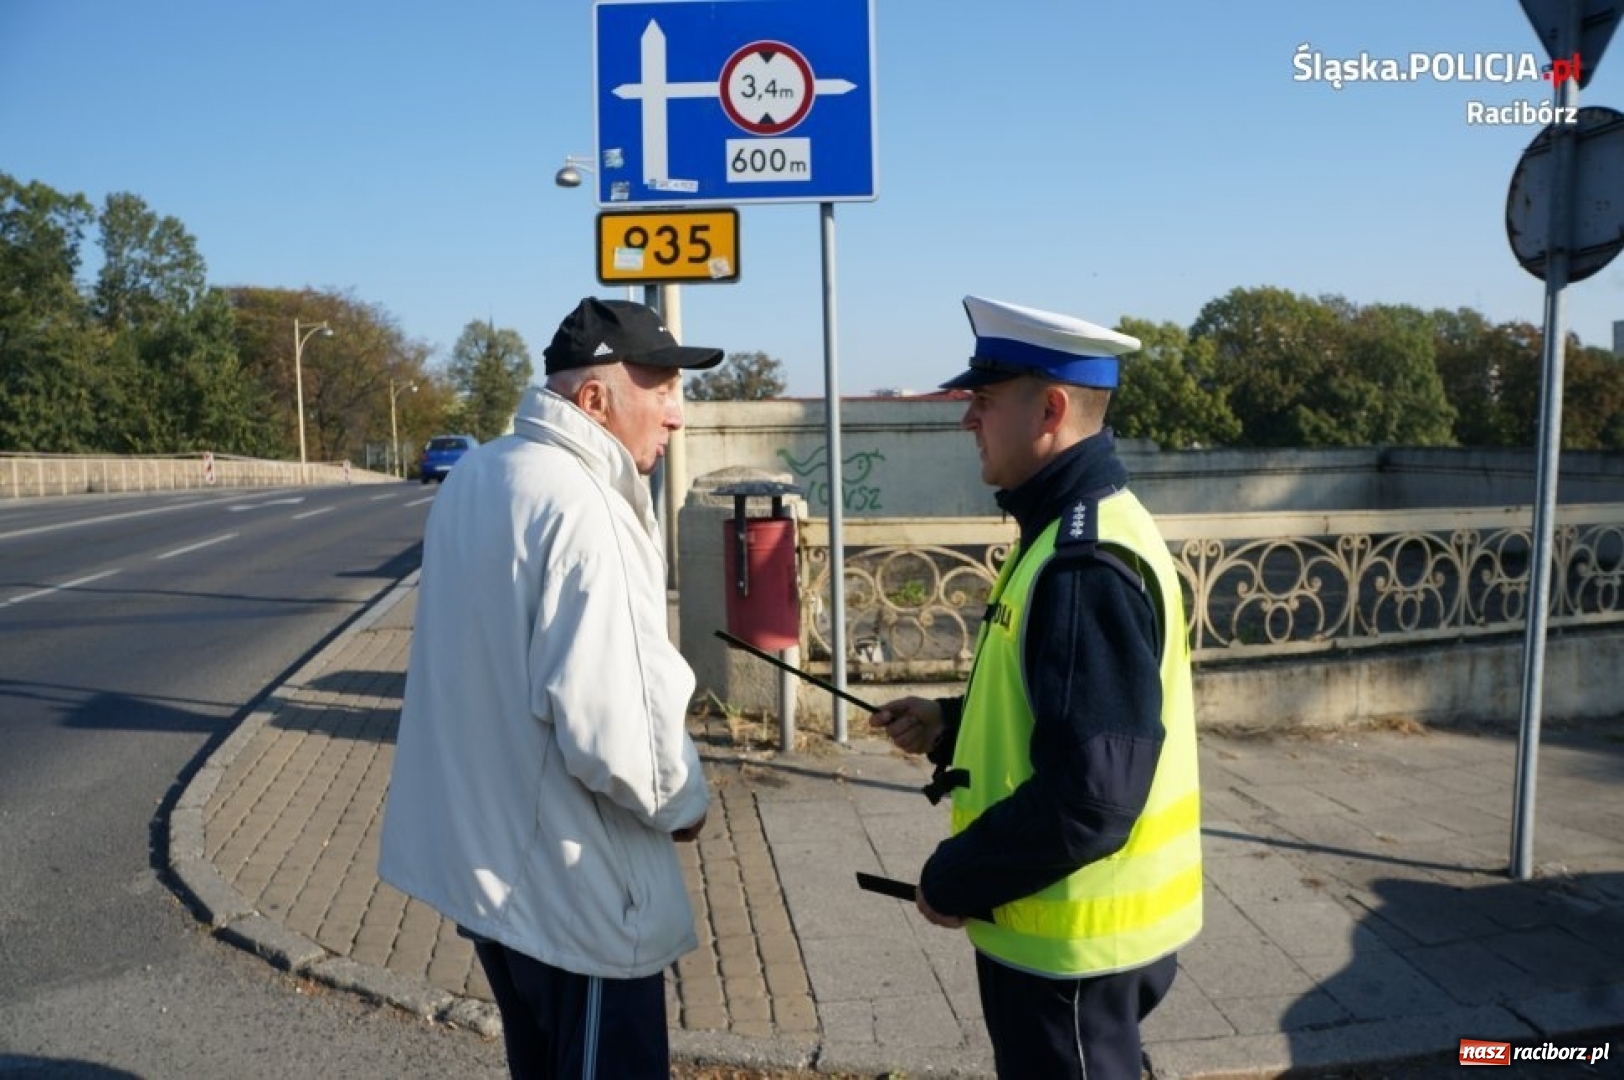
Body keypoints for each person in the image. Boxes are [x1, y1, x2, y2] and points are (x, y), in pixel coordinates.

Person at [378, 297, 720, 1079]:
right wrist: (686, 804)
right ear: (594, 399)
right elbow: (617, 730)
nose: (676, 416)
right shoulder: (586, 506)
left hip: (491, 873)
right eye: (660, 388)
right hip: (578, 895)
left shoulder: (479, 475)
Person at [869, 295, 1202, 1079]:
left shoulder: (1080, 561)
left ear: (1049, 408)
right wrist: (950, 724)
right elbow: (1064, 716)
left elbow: (1091, 797)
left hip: (1072, 946)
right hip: (1074, 936)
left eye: (983, 402)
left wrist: (957, 873)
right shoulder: (1071, 527)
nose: (968, 421)